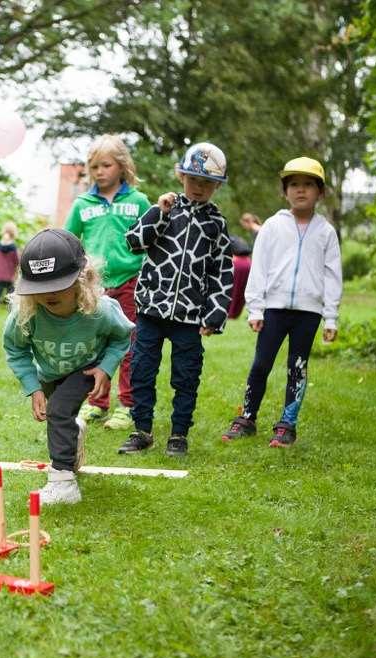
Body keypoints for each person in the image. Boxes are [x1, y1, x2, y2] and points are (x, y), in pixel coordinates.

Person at [118, 142, 233, 457]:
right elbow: (134, 242)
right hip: (151, 309)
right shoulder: (166, 208)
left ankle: (179, 434)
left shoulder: (216, 224)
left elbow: (222, 271)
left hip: (189, 315)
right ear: (181, 176)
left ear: (216, 186)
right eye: (194, 180)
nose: (199, 187)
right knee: (141, 369)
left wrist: (215, 314)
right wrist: (159, 211)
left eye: (207, 183)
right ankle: (141, 429)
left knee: (186, 375)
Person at [3, 229, 134, 505]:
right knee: (61, 415)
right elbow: (15, 348)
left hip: (87, 367)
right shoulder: (27, 313)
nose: (48, 294)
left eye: (57, 286)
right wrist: (33, 387)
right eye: (40, 289)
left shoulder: (100, 310)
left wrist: (105, 368)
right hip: (49, 372)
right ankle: (73, 433)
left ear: (82, 280)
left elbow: (122, 335)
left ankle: (63, 483)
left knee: (58, 409)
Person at [221, 157, 342, 448]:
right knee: (261, 363)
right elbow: (259, 268)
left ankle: (287, 423)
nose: (301, 190)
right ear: (285, 191)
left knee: (297, 367)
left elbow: (332, 274)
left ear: (320, 192)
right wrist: (256, 308)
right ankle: (247, 417)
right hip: (273, 309)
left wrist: (331, 317)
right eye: (294, 185)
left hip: (308, 312)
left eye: (308, 185)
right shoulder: (273, 227)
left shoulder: (326, 232)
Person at [64, 135, 152, 431]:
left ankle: (127, 405)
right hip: (94, 286)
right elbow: (69, 241)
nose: (99, 171)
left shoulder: (138, 201)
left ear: (122, 166)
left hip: (131, 281)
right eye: (94, 166)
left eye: (106, 165)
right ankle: (96, 401)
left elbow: (154, 238)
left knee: (128, 344)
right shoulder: (82, 204)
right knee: (95, 345)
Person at [227, 236, 252, 319]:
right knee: (241, 289)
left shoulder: (229, 239)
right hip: (248, 263)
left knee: (233, 289)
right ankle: (234, 313)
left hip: (236, 263)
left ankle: (230, 312)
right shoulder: (239, 239)